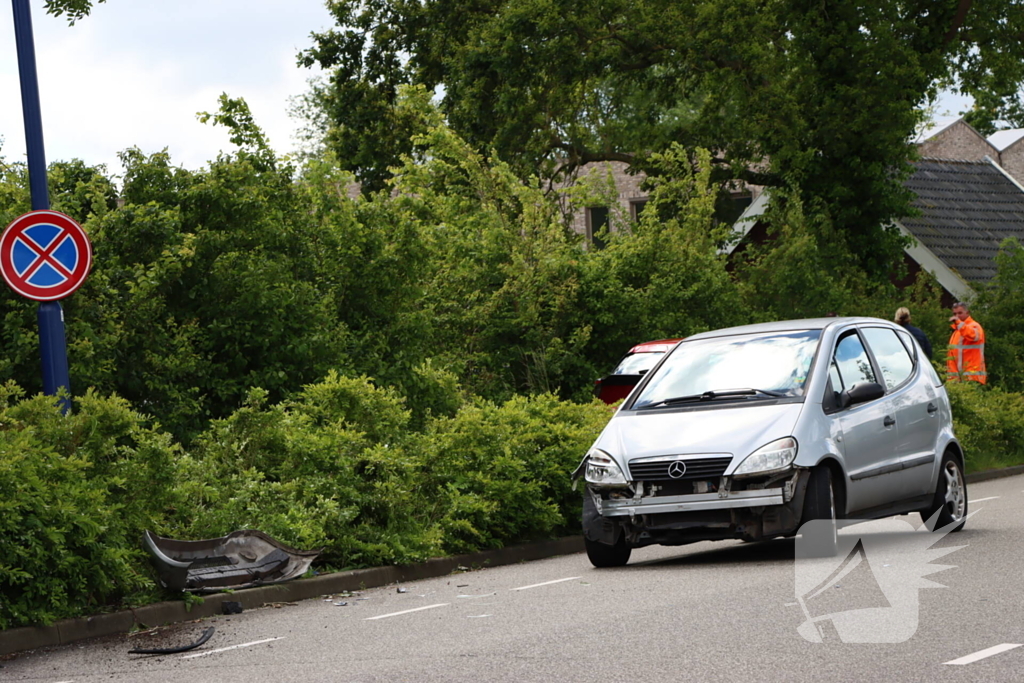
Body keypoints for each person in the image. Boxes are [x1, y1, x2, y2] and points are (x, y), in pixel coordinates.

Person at [946, 302, 986, 384]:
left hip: (972, 376)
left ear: (967, 313)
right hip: (959, 377)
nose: (957, 316)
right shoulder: (957, 331)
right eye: (955, 314)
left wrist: (958, 323)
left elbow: (973, 336)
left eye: (960, 313)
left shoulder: (974, 326)